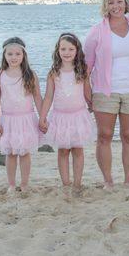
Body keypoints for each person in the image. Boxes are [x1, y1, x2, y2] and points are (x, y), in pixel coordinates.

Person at [84, 0, 129, 189]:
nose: (115, 6)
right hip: (104, 91)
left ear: (126, 3)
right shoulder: (97, 31)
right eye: (111, 2)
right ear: (105, 6)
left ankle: (128, 181)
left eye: (119, 2)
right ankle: (108, 181)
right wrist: (87, 92)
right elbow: (86, 67)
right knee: (105, 136)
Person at [39, 33, 95, 189]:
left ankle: (77, 184)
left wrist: (93, 105)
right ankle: (66, 183)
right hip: (60, 118)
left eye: (71, 49)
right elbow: (48, 97)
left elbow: (87, 91)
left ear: (77, 50)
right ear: (58, 50)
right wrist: (42, 117)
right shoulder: (54, 72)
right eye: (63, 49)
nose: (67, 52)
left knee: (78, 149)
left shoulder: (82, 70)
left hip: (78, 116)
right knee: (63, 151)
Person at [0, 37, 43, 192]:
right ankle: (12, 185)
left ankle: (25, 184)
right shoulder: (0, 75)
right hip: (8, 120)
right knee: (11, 153)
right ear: (4, 56)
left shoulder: (30, 74)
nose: (13, 57)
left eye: (17, 54)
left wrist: (43, 118)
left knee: (25, 152)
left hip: (26, 119)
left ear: (23, 55)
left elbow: (38, 98)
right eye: (10, 54)